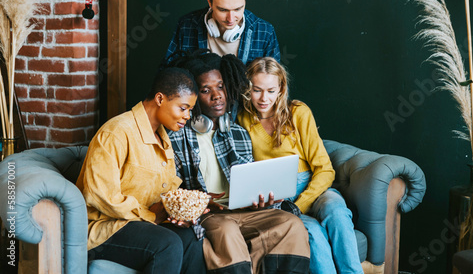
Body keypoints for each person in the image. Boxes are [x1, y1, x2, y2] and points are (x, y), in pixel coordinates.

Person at [165, 49, 310, 274]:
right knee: (227, 231)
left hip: (243, 209)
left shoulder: (238, 133)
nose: (217, 95)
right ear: (193, 95)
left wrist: (260, 199)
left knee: (290, 224)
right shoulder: (175, 135)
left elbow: (249, 181)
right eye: (206, 90)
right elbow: (172, 190)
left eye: (220, 86)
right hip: (209, 215)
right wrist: (201, 203)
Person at [237, 57, 364, 274]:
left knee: (337, 213)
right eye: (257, 90)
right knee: (312, 232)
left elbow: (325, 169)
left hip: (314, 187)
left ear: (281, 89)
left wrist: (302, 203)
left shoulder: (298, 112)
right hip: (279, 197)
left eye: (270, 90)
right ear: (248, 89)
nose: (263, 98)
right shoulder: (243, 119)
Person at [76, 67, 207, 274]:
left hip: (142, 224)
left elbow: (161, 193)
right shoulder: (116, 132)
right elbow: (100, 196)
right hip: (106, 228)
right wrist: (151, 215)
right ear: (160, 99)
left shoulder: (162, 138)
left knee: (192, 237)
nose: (187, 116)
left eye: (190, 110)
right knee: (168, 244)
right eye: (183, 108)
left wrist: (180, 212)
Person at [162, 0, 280, 67]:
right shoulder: (186, 25)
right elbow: (167, 73)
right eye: (223, 10)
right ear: (209, 2)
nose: (230, 18)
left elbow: (275, 82)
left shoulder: (265, 31)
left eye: (238, 9)